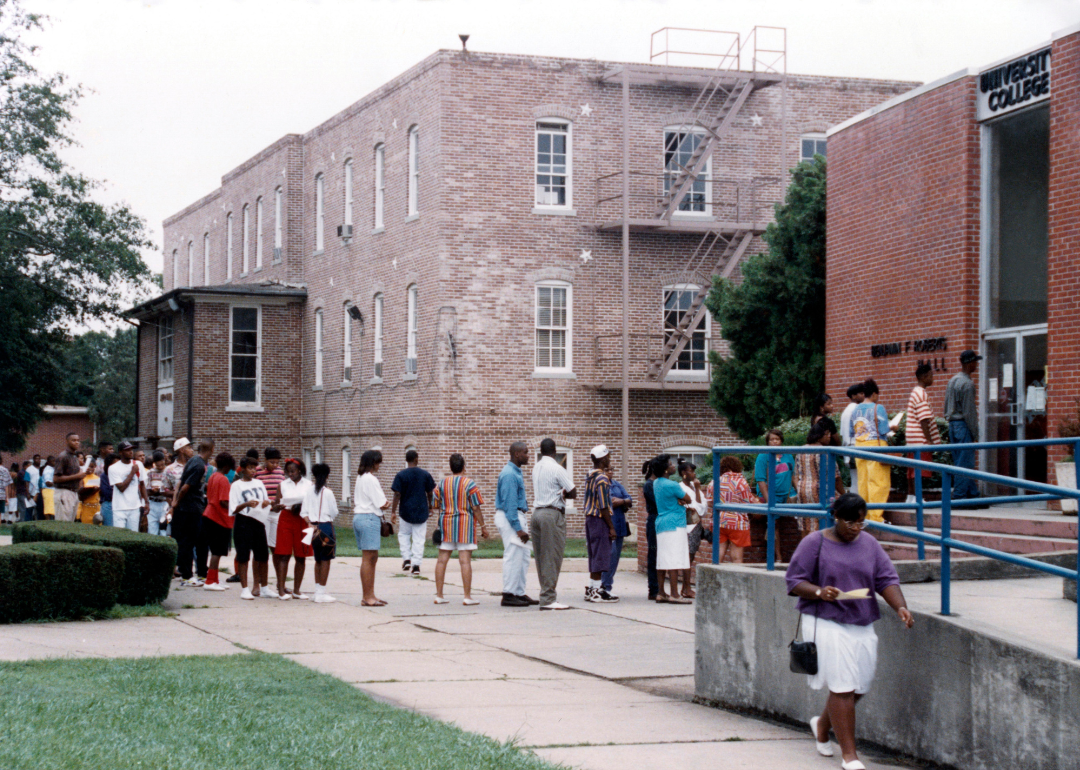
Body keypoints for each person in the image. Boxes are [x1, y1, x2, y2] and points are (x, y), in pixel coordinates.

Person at [786, 493, 914, 769]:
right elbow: (794, 581)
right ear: (835, 517)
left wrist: (900, 607)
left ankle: (821, 726)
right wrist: (820, 591)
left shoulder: (868, 543)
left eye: (861, 523)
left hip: (861, 621)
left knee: (860, 686)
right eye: (851, 523)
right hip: (825, 620)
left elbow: (885, 578)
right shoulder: (815, 542)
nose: (856, 529)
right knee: (843, 686)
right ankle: (850, 756)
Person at [432, 453, 489, 606]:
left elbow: (435, 503)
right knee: (465, 562)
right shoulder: (469, 484)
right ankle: (467, 596)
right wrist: (483, 526)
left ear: (451, 467)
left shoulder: (442, 483)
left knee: (442, 560)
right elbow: (476, 507)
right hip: (465, 525)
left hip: (446, 524)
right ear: (464, 467)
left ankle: (439, 595)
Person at [530, 438, 577, 610]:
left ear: (541, 451)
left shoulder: (536, 467)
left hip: (536, 513)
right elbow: (573, 492)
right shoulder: (557, 468)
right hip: (552, 514)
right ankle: (548, 598)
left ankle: (546, 593)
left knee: (541, 557)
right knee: (552, 556)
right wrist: (563, 492)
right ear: (555, 451)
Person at [494, 442, 536, 607]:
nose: (528, 455)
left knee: (523, 557)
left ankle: (519, 592)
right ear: (517, 454)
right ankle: (508, 594)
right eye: (526, 452)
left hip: (515, 516)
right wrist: (518, 529)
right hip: (511, 518)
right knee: (513, 556)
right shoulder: (510, 474)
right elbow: (509, 504)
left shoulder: (515, 472)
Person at [171, 438, 214, 587]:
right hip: (190, 509)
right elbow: (185, 487)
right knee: (187, 542)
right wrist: (176, 503)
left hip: (194, 507)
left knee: (198, 541)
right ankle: (186, 576)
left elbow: (182, 482)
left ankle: (201, 574)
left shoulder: (194, 461)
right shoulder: (198, 465)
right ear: (212, 450)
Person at [848, 379, 891, 522]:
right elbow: (884, 429)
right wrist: (894, 428)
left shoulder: (855, 410)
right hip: (876, 446)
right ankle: (876, 517)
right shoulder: (878, 408)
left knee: (863, 481)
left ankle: (864, 515)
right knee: (878, 482)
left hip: (859, 447)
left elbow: (851, 432)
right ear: (873, 393)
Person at [651, 454, 692, 604]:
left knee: (663, 558)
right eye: (670, 464)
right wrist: (679, 500)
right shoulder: (673, 485)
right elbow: (688, 498)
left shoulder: (656, 483)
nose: (674, 466)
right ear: (666, 470)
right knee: (674, 558)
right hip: (675, 523)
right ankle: (675, 593)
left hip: (661, 522)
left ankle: (661, 592)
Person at [231, 456, 272, 600]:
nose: (253, 471)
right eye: (250, 468)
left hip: (258, 520)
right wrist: (246, 504)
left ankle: (264, 587)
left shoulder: (259, 483)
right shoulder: (236, 485)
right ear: (242, 469)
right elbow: (233, 509)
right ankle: (244, 589)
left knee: (262, 555)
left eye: (255, 468)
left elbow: (264, 500)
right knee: (243, 556)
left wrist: (266, 503)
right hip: (243, 521)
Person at [353, 449, 390, 607]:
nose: (379, 465)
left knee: (371, 558)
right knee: (369, 559)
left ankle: (370, 594)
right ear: (373, 463)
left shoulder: (360, 478)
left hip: (360, 517)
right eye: (378, 462)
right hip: (369, 518)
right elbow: (382, 503)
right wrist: (387, 504)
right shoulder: (371, 479)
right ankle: (367, 596)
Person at [273, 458, 314, 600]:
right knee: (284, 555)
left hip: (302, 518)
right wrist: (277, 506)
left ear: (300, 470)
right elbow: (275, 505)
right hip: (286, 517)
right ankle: (281, 591)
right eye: (288, 472)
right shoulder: (283, 485)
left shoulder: (309, 484)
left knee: (301, 555)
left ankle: (297, 590)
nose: (290, 474)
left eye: (293, 471)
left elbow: (312, 503)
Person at [390, 449, 436, 576]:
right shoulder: (425, 474)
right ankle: (416, 565)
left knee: (404, 534)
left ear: (406, 460)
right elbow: (430, 492)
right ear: (417, 459)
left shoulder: (401, 475)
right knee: (419, 538)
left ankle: (406, 559)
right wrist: (431, 506)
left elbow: (397, 494)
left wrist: (393, 511)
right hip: (421, 510)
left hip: (405, 510)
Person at [797, 421, 846, 538]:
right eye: (827, 434)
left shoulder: (801, 450)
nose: (830, 437)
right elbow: (836, 477)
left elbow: (797, 472)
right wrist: (844, 495)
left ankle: (805, 553)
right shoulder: (826, 452)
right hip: (821, 491)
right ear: (819, 435)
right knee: (820, 523)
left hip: (803, 490)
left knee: (806, 524)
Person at [581, 445, 618, 604]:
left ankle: (591, 589)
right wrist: (611, 527)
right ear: (603, 458)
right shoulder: (602, 478)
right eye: (608, 456)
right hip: (599, 519)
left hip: (590, 518)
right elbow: (603, 505)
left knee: (594, 554)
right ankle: (595, 592)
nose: (609, 458)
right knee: (601, 555)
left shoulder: (590, 475)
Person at [944, 350, 982, 502]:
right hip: (962, 424)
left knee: (961, 460)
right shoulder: (967, 384)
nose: (976, 365)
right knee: (964, 463)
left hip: (952, 424)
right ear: (970, 363)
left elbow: (946, 405)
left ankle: (973, 494)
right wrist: (976, 433)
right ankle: (959, 497)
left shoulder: (952, 380)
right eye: (975, 362)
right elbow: (969, 412)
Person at [756, 429, 797, 561]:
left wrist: (799, 492)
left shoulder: (788, 456)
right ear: (767, 443)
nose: (774, 442)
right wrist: (769, 501)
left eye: (777, 439)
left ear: (781, 441)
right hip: (770, 496)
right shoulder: (763, 456)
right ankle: (776, 558)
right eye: (771, 440)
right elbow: (760, 480)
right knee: (774, 525)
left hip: (786, 496)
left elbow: (793, 476)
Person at [302, 462, 338, 603]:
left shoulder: (308, 491)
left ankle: (317, 591)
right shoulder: (328, 492)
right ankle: (321, 593)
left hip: (312, 528)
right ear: (327, 476)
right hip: (325, 527)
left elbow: (303, 512)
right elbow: (334, 512)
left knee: (317, 559)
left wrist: (309, 523)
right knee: (326, 560)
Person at [712, 455, 758, 563]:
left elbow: (710, 502)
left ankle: (713, 576)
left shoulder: (714, 482)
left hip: (719, 520)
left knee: (719, 552)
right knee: (737, 557)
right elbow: (748, 502)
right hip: (737, 522)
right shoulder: (741, 482)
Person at [906, 363, 941, 504]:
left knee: (912, 470)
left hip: (912, 438)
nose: (932, 378)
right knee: (919, 470)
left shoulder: (915, 392)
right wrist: (930, 441)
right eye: (931, 375)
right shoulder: (921, 394)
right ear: (924, 376)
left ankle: (911, 497)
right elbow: (924, 420)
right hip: (920, 439)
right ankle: (917, 498)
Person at [255, 448, 286, 597]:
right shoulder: (257, 472)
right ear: (265, 460)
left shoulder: (280, 472)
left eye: (277, 462)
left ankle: (280, 584)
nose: (275, 465)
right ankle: (258, 583)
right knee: (260, 549)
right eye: (272, 462)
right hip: (263, 513)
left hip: (277, 513)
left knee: (276, 549)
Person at [202, 452, 235, 591]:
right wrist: (235, 508)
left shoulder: (213, 476)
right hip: (218, 518)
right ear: (227, 466)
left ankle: (214, 578)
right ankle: (210, 581)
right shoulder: (223, 479)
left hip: (210, 514)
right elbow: (223, 501)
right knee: (217, 551)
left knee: (216, 550)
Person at [599, 465, 633, 601]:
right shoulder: (601, 485)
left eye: (612, 469)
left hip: (619, 525)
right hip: (608, 526)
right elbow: (606, 503)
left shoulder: (617, 485)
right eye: (607, 469)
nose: (611, 472)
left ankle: (608, 586)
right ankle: (603, 586)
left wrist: (622, 501)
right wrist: (619, 502)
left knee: (615, 558)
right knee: (609, 555)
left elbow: (629, 499)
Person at [679, 459, 707, 599]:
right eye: (691, 471)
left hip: (696, 525)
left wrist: (697, 489)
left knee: (691, 556)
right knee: (687, 557)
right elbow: (694, 506)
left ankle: (685, 587)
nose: (694, 474)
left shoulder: (694, 487)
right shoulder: (680, 488)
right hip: (687, 526)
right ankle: (687, 587)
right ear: (684, 473)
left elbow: (702, 509)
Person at [109, 441, 145, 532]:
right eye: (127, 450)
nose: (131, 452)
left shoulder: (138, 464)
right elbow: (121, 488)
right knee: (119, 535)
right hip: (119, 508)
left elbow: (142, 484)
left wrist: (146, 502)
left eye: (131, 449)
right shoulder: (113, 468)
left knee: (133, 535)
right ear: (120, 452)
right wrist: (132, 472)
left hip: (134, 507)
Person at [53, 433, 86, 522]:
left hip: (73, 493)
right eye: (73, 440)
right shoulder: (63, 456)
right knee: (63, 525)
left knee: (70, 524)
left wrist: (81, 475)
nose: (77, 443)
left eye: (78, 440)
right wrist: (77, 476)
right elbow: (56, 479)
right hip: (64, 492)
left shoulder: (75, 457)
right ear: (67, 441)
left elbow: (75, 476)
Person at [840, 383, 865, 496]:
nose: (864, 395)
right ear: (853, 396)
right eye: (861, 393)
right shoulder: (856, 409)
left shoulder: (846, 410)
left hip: (848, 447)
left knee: (855, 480)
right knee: (859, 481)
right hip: (855, 447)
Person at [642, 458, 660, 600]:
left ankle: (658, 588)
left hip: (659, 520)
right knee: (653, 554)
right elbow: (658, 503)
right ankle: (653, 589)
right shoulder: (649, 485)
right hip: (654, 521)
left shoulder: (657, 484)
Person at [145, 451, 170, 535]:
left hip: (165, 503)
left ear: (164, 461)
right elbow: (146, 491)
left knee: (164, 531)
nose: (160, 467)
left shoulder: (169, 471)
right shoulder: (150, 473)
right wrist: (153, 491)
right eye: (158, 465)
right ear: (154, 463)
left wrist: (162, 491)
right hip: (153, 503)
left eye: (162, 465)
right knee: (152, 531)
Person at [98, 454, 116, 527]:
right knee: (110, 528)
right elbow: (106, 493)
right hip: (109, 504)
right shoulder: (104, 476)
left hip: (120, 505)